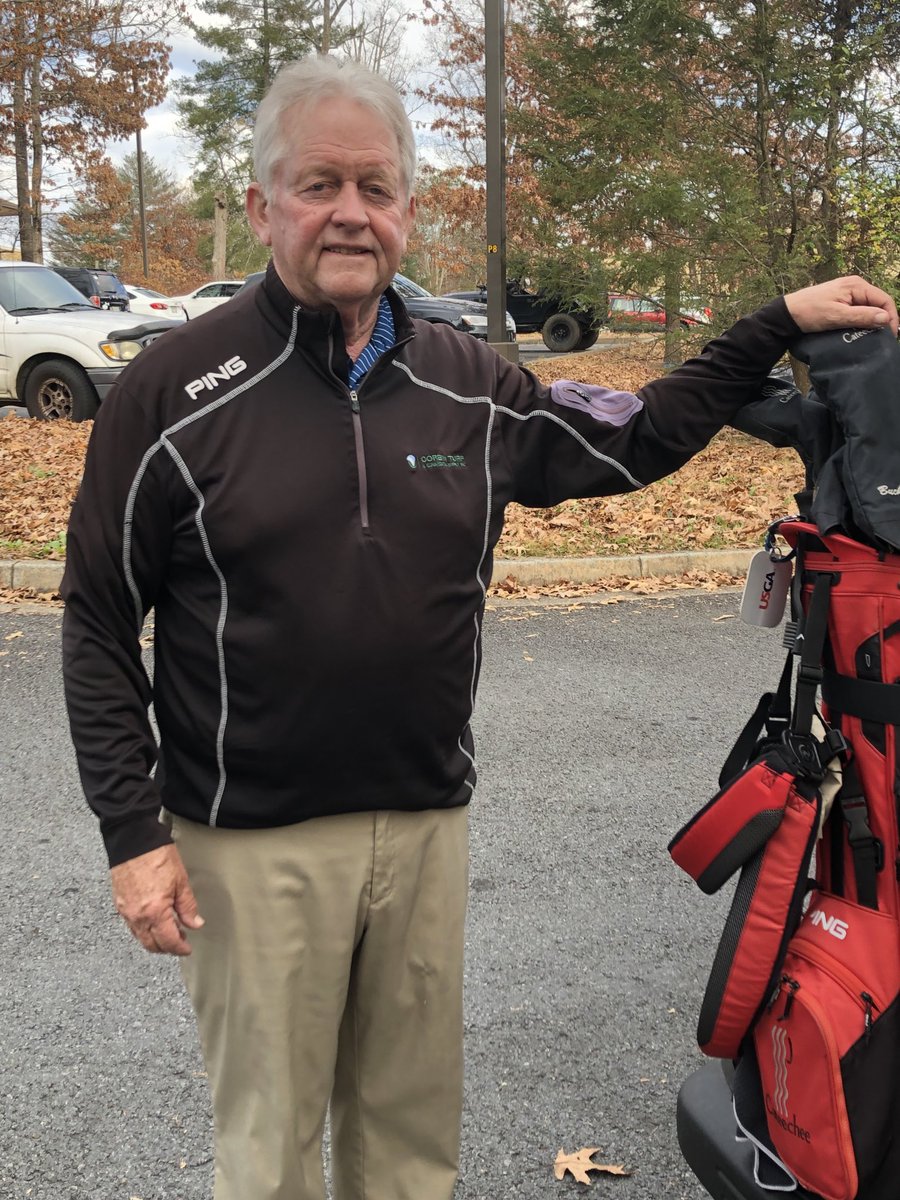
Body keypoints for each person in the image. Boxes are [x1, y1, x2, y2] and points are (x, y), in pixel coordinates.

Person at [60, 53, 899, 1200]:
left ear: (407, 209)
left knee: (408, 1148)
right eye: (318, 184)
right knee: (268, 1156)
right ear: (262, 206)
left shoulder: (471, 382)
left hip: (423, 827)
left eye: (377, 186)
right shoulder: (172, 392)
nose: (350, 211)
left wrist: (769, 325)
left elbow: (629, 439)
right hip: (245, 843)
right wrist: (131, 837)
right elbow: (99, 621)